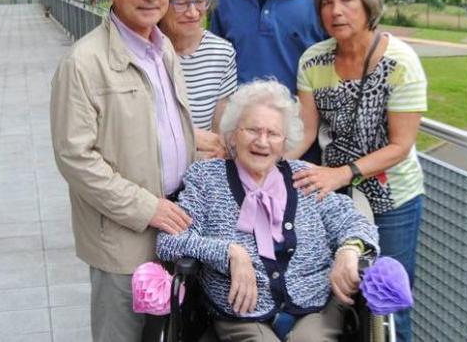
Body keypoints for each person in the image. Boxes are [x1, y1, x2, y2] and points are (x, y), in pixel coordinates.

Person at [50, 0, 196, 342]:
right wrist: (147, 207)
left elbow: (159, 129)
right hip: (124, 239)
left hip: (175, 225)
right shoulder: (83, 63)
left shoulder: (163, 49)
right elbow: (75, 159)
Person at [157, 80, 378, 342]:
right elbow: (169, 242)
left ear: (285, 142)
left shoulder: (304, 176)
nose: (262, 141)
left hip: (314, 306)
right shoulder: (206, 179)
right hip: (240, 311)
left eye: (272, 133)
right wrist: (230, 253)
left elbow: (354, 221)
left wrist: (349, 249)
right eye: (252, 129)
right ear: (233, 133)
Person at [286, 0, 427, 342]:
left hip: (392, 199)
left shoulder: (401, 63)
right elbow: (306, 131)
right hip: (339, 200)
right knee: (341, 297)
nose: (336, 11)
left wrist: (342, 172)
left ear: (367, 2)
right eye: (327, 2)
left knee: (389, 301)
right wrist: (271, 163)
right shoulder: (313, 60)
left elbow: (401, 145)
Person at [159, 0, 236, 159]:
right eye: (181, 2)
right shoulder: (146, 52)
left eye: (200, 0)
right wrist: (187, 138)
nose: (193, 13)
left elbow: (220, 137)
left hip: (200, 173)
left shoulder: (222, 53)